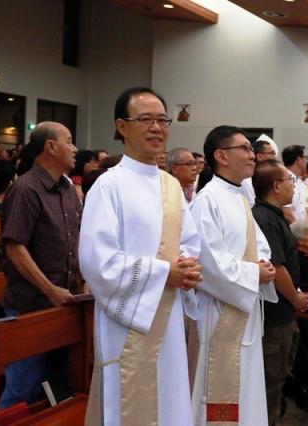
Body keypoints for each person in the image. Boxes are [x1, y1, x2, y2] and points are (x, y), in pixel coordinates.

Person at [79, 87, 202, 426]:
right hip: (128, 320)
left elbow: (190, 242)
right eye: (145, 120)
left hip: (170, 315)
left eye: (162, 120)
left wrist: (188, 267)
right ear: (122, 126)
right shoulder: (109, 186)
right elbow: (97, 261)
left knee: (171, 397)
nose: (156, 128)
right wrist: (165, 273)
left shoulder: (171, 186)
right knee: (131, 404)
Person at [190, 125, 277, 425]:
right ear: (221, 156)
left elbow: (259, 245)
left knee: (248, 390)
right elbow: (209, 264)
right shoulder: (207, 200)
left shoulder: (240, 197)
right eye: (245, 149)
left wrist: (264, 265)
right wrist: (256, 273)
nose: (253, 155)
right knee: (220, 390)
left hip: (245, 308)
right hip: (219, 313)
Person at [0, 121, 81, 408]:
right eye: (69, 141)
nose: (74, 149)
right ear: (50, 146)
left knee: (53, 386)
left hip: (64, 302)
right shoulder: (26, 189)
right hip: (31, 305)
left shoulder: (67, 189)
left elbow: (77, 239)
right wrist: (50, 289)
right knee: (22, 386)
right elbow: (15, 247)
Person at [251, 160, 308, 424]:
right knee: (270, 378)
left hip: (283, 309)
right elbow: (275, 267)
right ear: (276, 186)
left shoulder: (275, 214)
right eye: (291, 181)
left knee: (278, 374)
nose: (294, 186)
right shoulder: (264, 217)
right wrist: (296, 298)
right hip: (274, 313)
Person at [241, 135, 278, 206]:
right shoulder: (247, 180)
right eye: (272, 153)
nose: (275, 158)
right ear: (259, 157)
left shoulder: (267, 177)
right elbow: (252, 208)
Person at [282, 145, 308, 224]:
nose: (307, 161)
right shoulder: (284, 180)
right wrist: (300, 233)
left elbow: (303, 211)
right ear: (299, 160)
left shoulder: (301, 183)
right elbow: (287, 214)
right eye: (306, 158)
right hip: (291, 232)